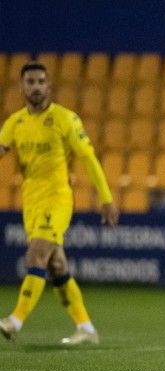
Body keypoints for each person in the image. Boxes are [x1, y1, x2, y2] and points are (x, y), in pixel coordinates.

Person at [0, 62, 119, 345]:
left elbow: (88, 158)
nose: (36, 86)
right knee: (55, 267)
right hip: (31, 203)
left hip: (58, 199)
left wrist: (106, 198)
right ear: (21, 87)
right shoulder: (15, 123)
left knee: (36, 255)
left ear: (49, 85)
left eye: (41, 81)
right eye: (30, 81)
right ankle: (86, 328)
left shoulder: (66, 119)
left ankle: (14, 321)